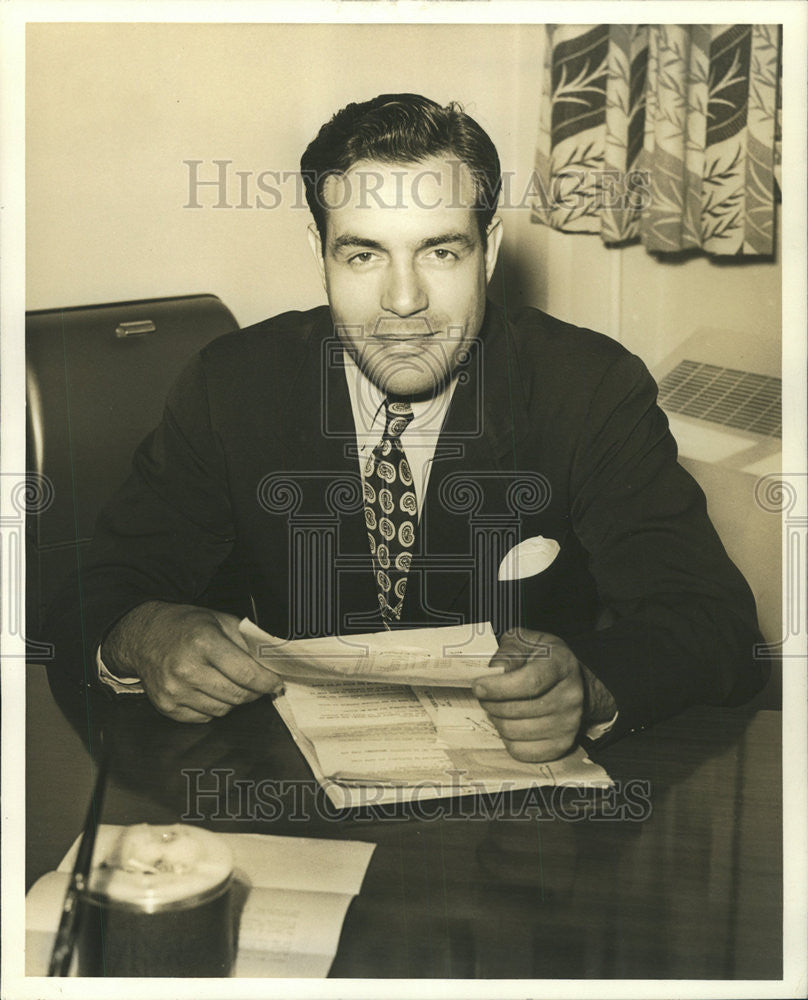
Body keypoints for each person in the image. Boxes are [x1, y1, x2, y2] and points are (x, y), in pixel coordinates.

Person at [49, 93, 768, 762]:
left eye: (440, 251)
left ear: (489, 246)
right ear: (318, 249)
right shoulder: (231, 382)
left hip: (512, 834)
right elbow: (91, 589)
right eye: (363, 254)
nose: (403, 302)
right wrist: (139, 635)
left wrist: (592, 683)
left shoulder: (590, 387)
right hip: (292, 794)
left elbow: (714, 624)